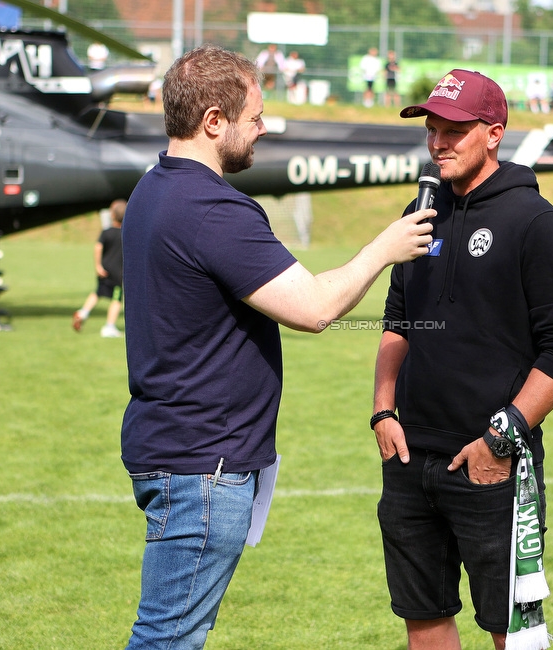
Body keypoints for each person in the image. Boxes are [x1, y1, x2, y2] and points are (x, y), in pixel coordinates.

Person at [119, 45, 433, 650]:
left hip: (178, 452)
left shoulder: (153, 189)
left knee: (172, 634)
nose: (265, 128)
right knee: (166, 639)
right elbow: (314, 309)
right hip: (203, 465)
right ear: (214, 121)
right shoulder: (212, 208)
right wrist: (384, 248)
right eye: (255, 117)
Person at [372, 69, 553, 650]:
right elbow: (399, 320)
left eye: (455, 130)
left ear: (493, 134)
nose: (439, 142)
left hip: (491, 465)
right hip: (409, 457)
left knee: (512, 635)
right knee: (423, 622)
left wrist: (502, 437)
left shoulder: (537, 225)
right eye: (433, 129)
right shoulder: (419, 210)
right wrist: (382, 411)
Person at [72, 199, 127, 338]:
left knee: (98, 293)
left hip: (104, 269)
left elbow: (98, 247)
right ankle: (109, 327)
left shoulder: (106, 232)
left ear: (112, 215)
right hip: (117, 272)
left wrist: (98, 266)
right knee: (116, 299)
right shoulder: (126, 234)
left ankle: (83, 312)